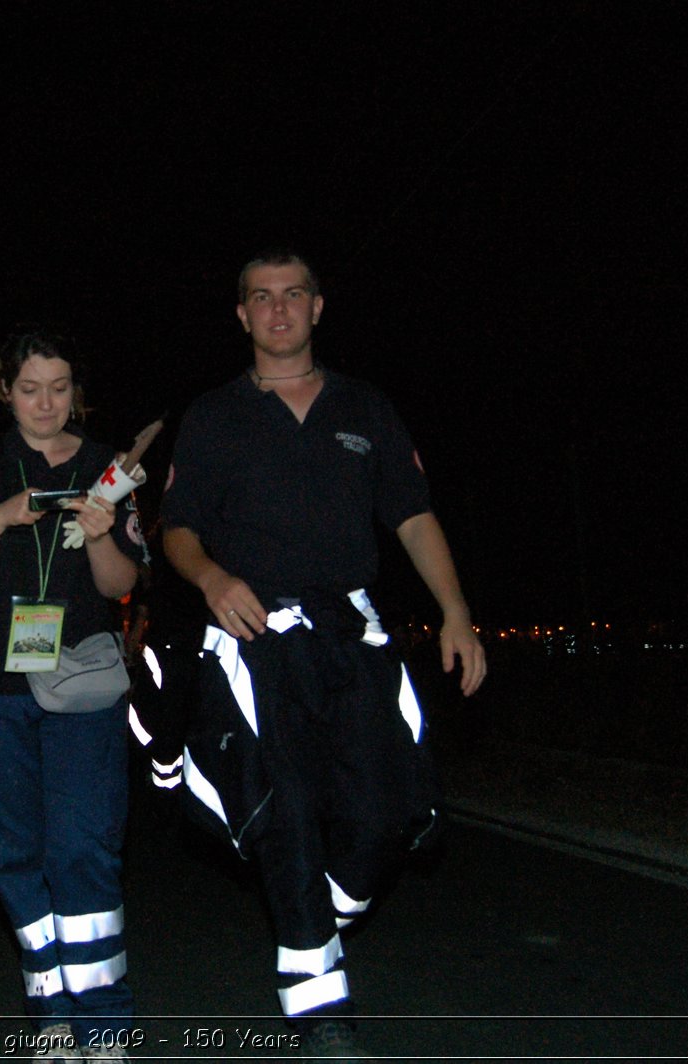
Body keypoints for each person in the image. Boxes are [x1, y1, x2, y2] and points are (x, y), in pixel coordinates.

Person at [161, 249, 486, 1060]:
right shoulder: (212, 416)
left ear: (316, 307)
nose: (278, 310)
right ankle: (320, 1012)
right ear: (241, 315)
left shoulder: (365, 408)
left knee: (388, 812)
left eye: (292, 295)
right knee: (291, 814)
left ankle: (321, 911)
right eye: (261, 298)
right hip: (256, 635)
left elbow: (412, 517)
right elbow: (176, 529)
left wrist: (456, 613)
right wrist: (211, 578)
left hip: (352, 635)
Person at [0, 329, 144, 1063]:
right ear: (4, 388)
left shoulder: (107, 465)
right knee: (12, 851)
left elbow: (119, 586)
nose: (45, 403)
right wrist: (3, 515)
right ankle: (49, 1004)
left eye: (58, 387)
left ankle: (104, 1022)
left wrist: (104, 534)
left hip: (81, 679)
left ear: (75, 391)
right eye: (29, 388)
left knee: (83, 846)